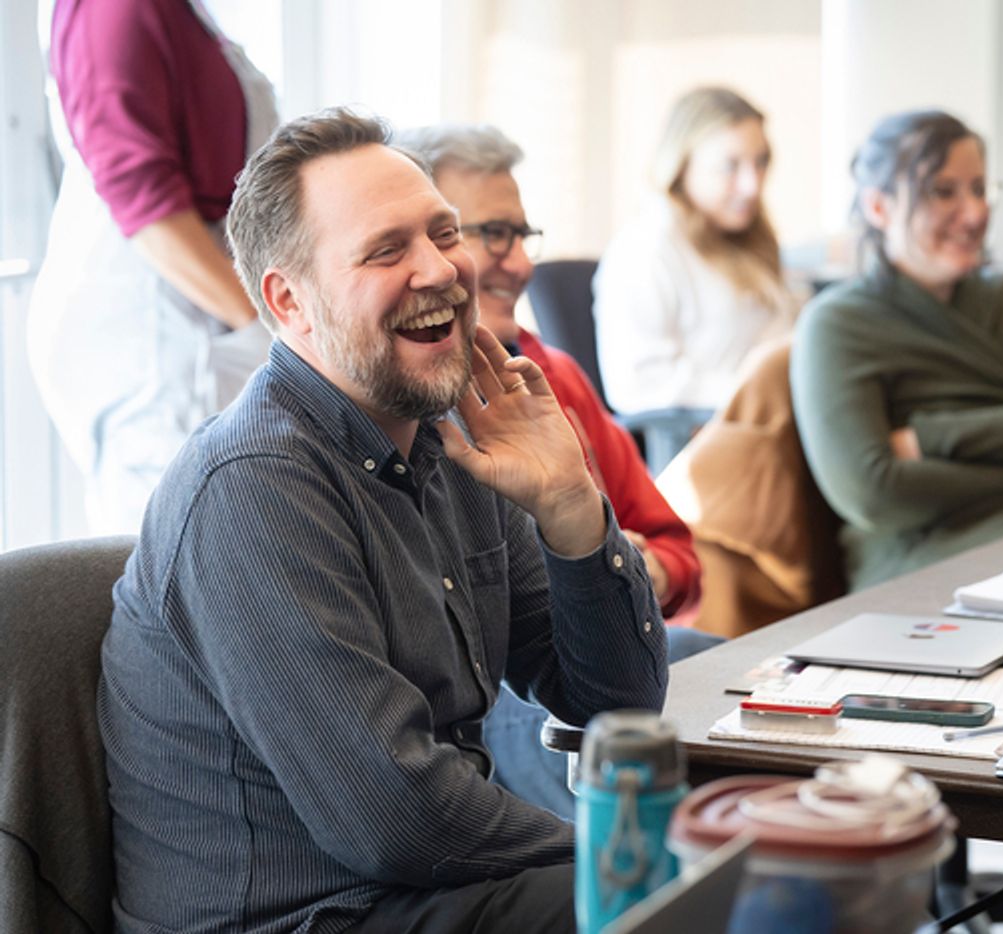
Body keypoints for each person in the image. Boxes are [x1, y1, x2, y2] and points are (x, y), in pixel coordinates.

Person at [99, 108, 668, 934]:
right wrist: (628, 857)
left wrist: (572, 510)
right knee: (679, 901)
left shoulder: (457, 449)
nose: (440, 269)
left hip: (418, 896)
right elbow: (398, 818)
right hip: (303, 917)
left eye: (444, 234)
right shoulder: (253, 488)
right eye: (386, 249)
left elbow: (615, 704)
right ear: (289, 302)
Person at [396, 123, 720, 817]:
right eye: (488, 234)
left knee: (734, 680)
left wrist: (616, 563)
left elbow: (678, 552)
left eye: (521, 234)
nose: (515, 262)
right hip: (512, 689)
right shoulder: (420, 409)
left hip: (619, 648)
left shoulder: (559, 375)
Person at [791, 110, 1003, 592]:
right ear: (879, 207)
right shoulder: (838, 324)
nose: (975, 213)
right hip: (925, 566)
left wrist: (929, 437)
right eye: (943, 191)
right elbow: (873, 492)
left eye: (980, 189)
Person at [28, 0, 278, 533]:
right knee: (180, 546)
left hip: (198, 318)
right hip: (155, 329)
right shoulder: (114, 7)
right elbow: (145, 205)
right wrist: (264, 323)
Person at [593, 86, 798, 415]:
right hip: (719, 438)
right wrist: (754, 391)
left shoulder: (745, 238)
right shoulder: (646, 249)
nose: (752, 185)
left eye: (761, 162)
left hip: (774, 421)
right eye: (729, 166)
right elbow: (636, 384)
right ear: (681, 165)